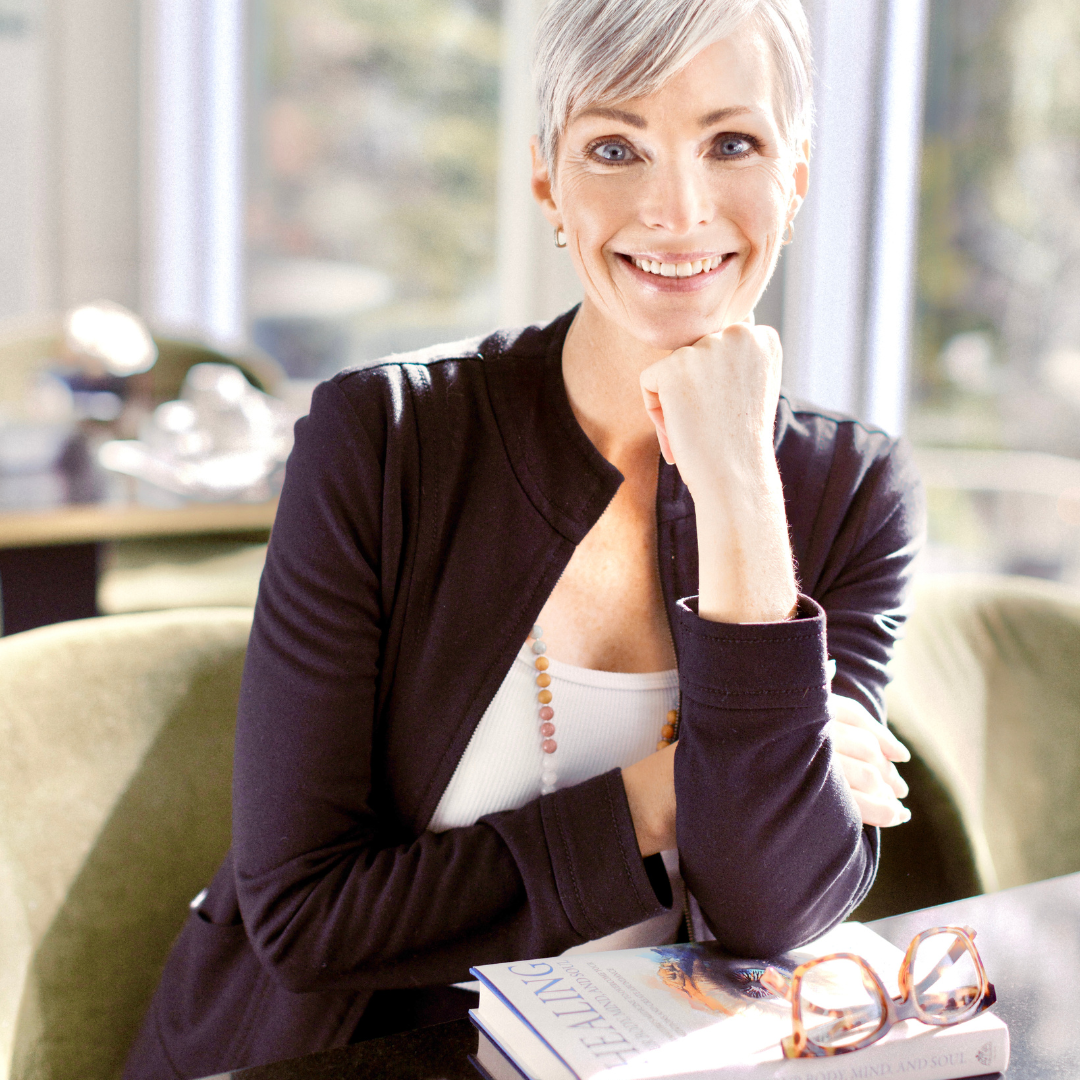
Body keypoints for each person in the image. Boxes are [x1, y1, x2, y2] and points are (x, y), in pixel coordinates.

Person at [125, 0, 922, 1075]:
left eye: (732, 142)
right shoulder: (385, 441)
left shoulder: (849, 487)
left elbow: (772, 915)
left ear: (796, 173)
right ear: (548, 180)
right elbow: (308, 922)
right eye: (614, 147)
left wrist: (737, 482)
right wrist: (673, 791)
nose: (678, 208)